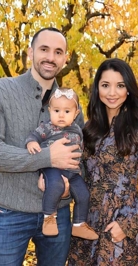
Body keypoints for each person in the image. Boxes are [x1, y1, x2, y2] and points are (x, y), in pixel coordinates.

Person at [0, 27, 84, 266]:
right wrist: (46, 158)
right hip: (10, 213)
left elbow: (80, 158)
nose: (50, 57)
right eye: (44, 49)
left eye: (58, 52)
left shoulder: (71, 104)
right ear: (30, 52)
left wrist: (67, 187)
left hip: (59, 213)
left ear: (65, 58)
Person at [67, 58, 138, 265]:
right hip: (86, 229)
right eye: (105, 85)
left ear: (129, 89)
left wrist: (128, 224)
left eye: (120, 85)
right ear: (97, 89)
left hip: (122, 233)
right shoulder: (88, 130)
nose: (112, 93)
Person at [25, 87, 98, 240]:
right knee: (56, 186)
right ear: (49, 110)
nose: (61, 116)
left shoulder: (77, 129)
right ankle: (49, 217)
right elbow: (35, 135)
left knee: (84, 194)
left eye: (67, 111)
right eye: (56, 111)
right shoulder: (48, 127)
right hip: (53, 168)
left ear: (76, 113)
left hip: (72, 171)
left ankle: (79, 224)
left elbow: (81, 148)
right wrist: (32, 142)